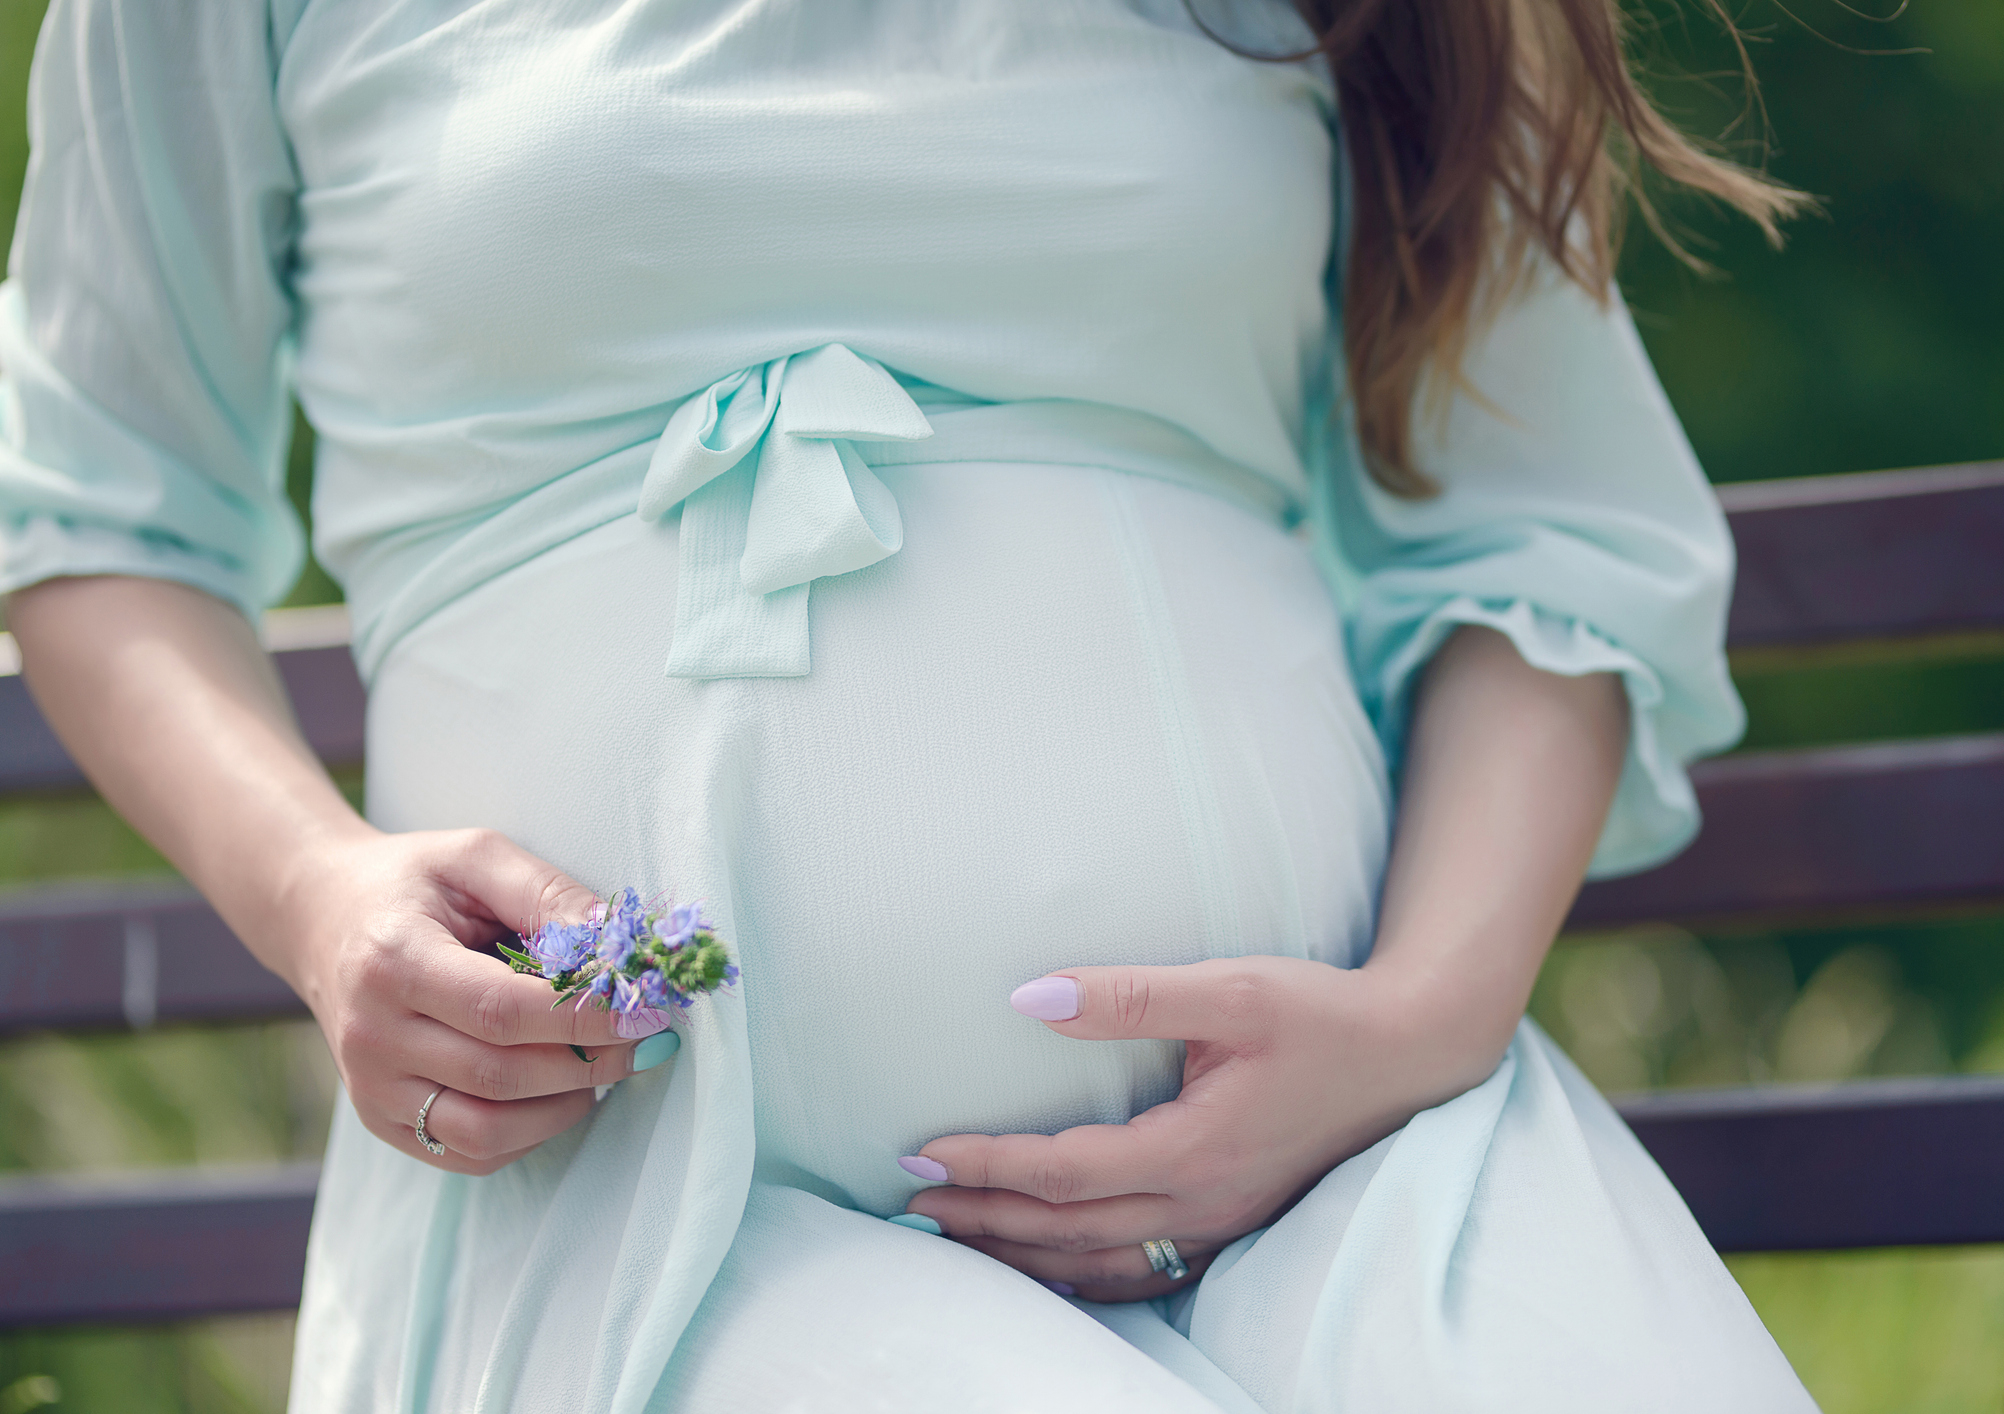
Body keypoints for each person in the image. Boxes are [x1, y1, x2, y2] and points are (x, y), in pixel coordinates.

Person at [0, 0, 1821, 1409]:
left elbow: (1551, 551)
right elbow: (95, 510)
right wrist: (324, 904)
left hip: (1350, 1162)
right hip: (648, 1222)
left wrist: (1421, 1021)